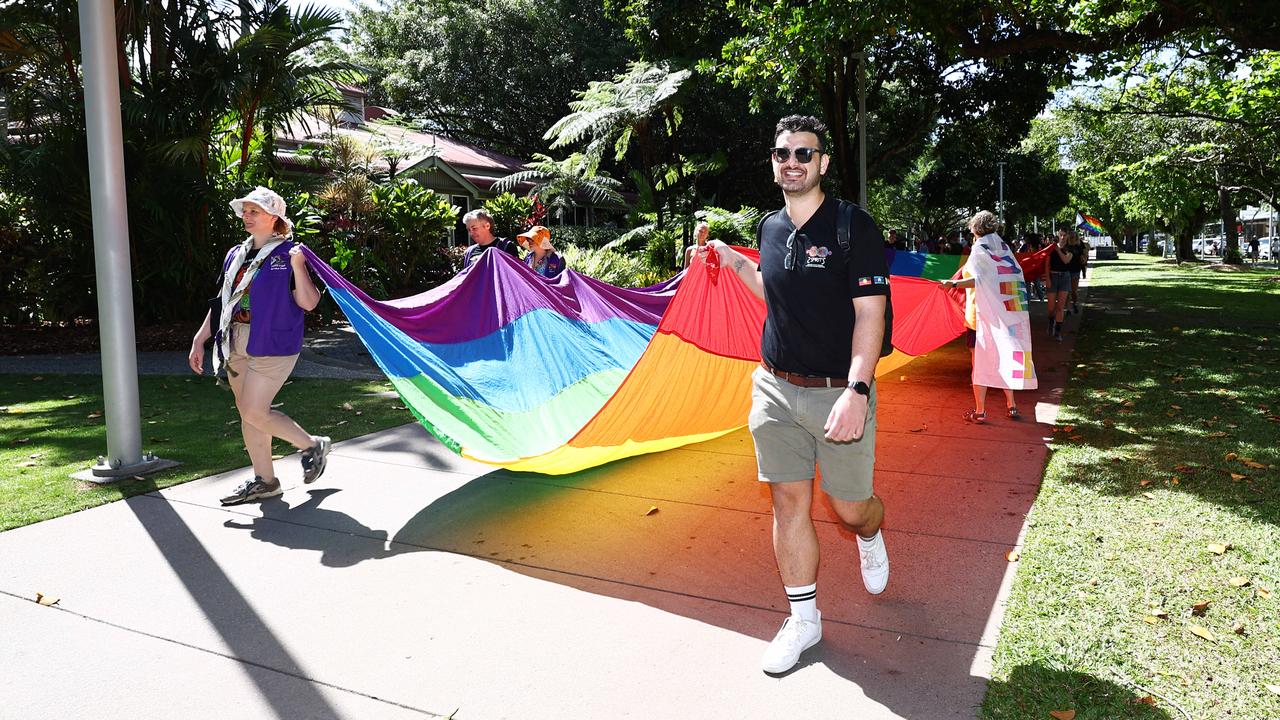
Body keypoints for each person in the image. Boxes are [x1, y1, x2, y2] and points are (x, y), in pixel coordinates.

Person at [695, 115, 891, 675]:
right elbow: (775, 295)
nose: (793, 162)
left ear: (823, 163)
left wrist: (857, 389)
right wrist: (734, 263)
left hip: (839, 392)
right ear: (773, 162)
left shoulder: (855, 228)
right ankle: (804, 619)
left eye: (805, 153)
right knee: (788, 503)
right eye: (783, 153)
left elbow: (870, 314)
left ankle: (872, 533)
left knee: (851, 510)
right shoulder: (769, 227)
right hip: (776, 388)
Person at [188, 187, 331, 505]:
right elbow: (224, 303)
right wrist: (201, 338)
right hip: (235, 339)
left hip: (274, 343)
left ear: (273, 217)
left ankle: (311, 445)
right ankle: (265, 481)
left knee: (254, 410)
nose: (247, 215)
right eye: (246, 210)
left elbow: (309, 303)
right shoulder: (235, 254)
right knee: (249, 413)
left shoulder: (290, 252)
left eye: (255, 211)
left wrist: (298, 266)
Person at [940, 211, 1038, 423]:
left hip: (981, 317)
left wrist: (953, 284)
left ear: (975, 229)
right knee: (1005, 355)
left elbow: (977, 281)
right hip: (1006, 315)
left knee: (980, 363)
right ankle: (1011, 405)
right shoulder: (1003, 248)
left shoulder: (979, 249)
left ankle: (980, 411)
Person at [1044, 228, 1076, 340]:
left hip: (1064, 277)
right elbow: (1047, 264)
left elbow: (1066, 261)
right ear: (1058, 234)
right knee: (1051, 307)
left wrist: (1058, 250)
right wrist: (1047, 278)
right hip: (1053, 277)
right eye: (1061, 235)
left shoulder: (1070, 248)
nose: (1062, 237)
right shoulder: (1052, 247)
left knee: (1060, 307)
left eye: (1064, 235)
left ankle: (1058, 331)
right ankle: (1051, 322)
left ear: (1068, 236)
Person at [1068, 232, 1087, 314]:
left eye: (1074, 236)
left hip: (1076, 270)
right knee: (1066, 291)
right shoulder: (1066, 244)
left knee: (1074, 291)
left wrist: (1083, 270)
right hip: (1066, 270)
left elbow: (1083, 256)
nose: (1072, 237)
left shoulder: (1080, 244)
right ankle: (1068, 308)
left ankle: (1074, 304)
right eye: (1071, 236)